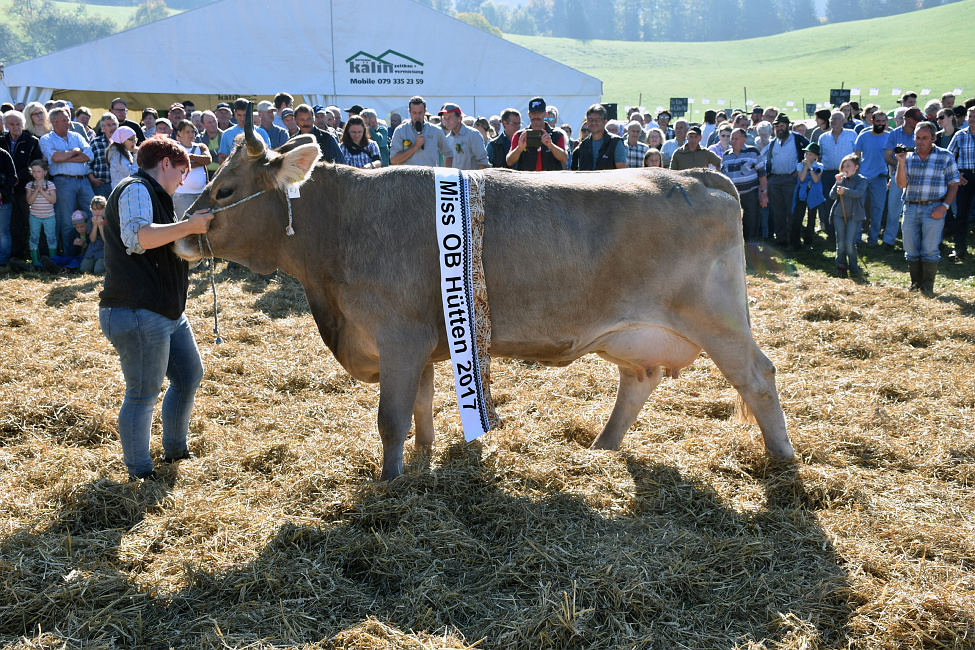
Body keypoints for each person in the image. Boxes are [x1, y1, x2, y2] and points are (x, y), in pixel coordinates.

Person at [98, 135, 215, 481]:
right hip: (137, 310)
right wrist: (190, 226)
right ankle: (140, 473)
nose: (184, 178)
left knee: (188, 375)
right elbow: (140, 239)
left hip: (164, 311)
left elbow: (164, 248)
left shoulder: (158, 197)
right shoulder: (137, 188)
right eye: (182, 170)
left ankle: (175, 449)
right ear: (165, 163)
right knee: (142, 393)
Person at [895, 120, 959, 294]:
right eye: (917, 138)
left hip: (934, 207)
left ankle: (928, 286)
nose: (920, 141)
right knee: (910, 249)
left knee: (930, 249)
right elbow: (901, 185)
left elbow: (954, 184)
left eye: (924, 138)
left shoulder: (945, 156)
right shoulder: (907, 156)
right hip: (910, 207)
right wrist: (901, 163)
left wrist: (944, 206)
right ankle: (916, 284)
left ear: (933, 138)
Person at [39, 107, 95, 256]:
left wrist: (66, 156)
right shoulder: (46, 139)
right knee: (67, 221)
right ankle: (70, 256)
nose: (68, 122)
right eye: (64, 120)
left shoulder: (76, 135)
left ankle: (92, 253)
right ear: (53, 121)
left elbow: (89, 155)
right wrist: (76, 151)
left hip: (83, 181)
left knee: (94, 215)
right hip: (63, 182)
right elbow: (54, 158)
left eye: (68, 119)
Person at [764, 113, 810, 247]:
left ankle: (794, 239)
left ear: (788, 126)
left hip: (791, 179)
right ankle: (781, 239)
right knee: (778, 211)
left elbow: (812, 152)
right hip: (775, 179)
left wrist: (801, 167)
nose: (779, 129)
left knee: (792, 211)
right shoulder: (773, 142)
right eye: (777, 126)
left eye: (782, 126)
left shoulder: (798, 139)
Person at [882, 106, 923, 250]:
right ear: (907, 119)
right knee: (893, 208)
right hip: (897, 175)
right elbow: (887, 156)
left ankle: (914, 242)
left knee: (915, 209)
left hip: (917, 177)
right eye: (915, 120)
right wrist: (901, 165)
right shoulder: (894, 134)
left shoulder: (921, 134)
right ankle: (889, 240)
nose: (918, 123)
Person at [2, 110, 41, 262]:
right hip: (6, 189)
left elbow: (35, 163)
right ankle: (15, 255)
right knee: (13, 224)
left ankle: (33, 255)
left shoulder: (32, 141)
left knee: (30, 221)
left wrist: (18, 175)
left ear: (23, 124)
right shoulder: (1, 141)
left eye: (18, 123)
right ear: (5, 125)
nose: (15, 127)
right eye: (11, 124)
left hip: (25, 187)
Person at [721, 127, 768, 244]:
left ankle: (751, 253)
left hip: (750, 195)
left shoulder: (753, 152)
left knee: (751, 224)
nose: (733, 141)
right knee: (735, 225)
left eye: (736, 138)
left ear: (744, 139)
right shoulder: (726, 155)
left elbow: (762, 175)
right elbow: (722, 177)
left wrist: (764, 194)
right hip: (732, 197)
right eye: (732, 139)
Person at [817, 111, 858, 241]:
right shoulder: (823, 137)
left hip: (846, 174)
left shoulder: (852, 134)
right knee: (829, 202)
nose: (833, 121)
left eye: (837, 119)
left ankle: (848, 232)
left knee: (847, 202)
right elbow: (820, 156)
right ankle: (831, 232)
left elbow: (856, 155)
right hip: (828, 174)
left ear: (843, 121)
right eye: (832, 119)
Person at [854, 110, 891, 246]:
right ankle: (857, 237)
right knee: (858, 208)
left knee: (878, 209)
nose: (880, 124)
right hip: (862, 177)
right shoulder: (863, 137)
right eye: (878, 121)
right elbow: (856, 157)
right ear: (872, 121)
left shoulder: (890, 137)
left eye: (883, 121)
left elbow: (893, 157)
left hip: (880, 178)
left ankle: (873, 239)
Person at [829, 153, 866, 277]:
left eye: (848, 166)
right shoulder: (841, 180)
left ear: (856, 167)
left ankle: (854, 267)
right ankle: (841, 266)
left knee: (850, 243)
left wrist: (845, 190)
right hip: (839, 214)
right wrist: (837, 184)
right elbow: (832, 196)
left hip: (854, 215)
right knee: (841, 243)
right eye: (843, 166)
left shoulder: (862, 180)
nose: (845, 168)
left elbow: (858, 193)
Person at [946, 106, 975, 263]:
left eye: (974, 116)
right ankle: (959, 248)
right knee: (962, 214)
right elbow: (949, 158)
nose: (971, 118)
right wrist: (956, 174)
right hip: (966, 177)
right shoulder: (960, 135)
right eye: (970, 116)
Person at [390, 96, 453, 168]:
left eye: (420, 113)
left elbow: (448, 153)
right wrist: (415, 146)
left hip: (429, 177)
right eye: (414, 113)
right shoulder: (400, 131)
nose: (417, 116)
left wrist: (445, 174)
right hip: (408, 177)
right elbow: (394, 160)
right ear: (409, 112)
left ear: (425, 112)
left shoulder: (436, 130)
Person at [173, 120, 211, 218]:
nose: (191, 134)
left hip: (201, 194)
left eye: (193, 132)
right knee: (184, 224)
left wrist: (190, 156)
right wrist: (199, 162)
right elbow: (180, 166)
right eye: (187, 132)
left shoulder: (201, 146)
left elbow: (207, 160)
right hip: (182, 195)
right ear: (179, 133)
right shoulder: (175, 148)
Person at [791, 142, 825, 251]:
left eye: (810, 154)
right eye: (806, 153)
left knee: (811, 219)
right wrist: (806, 167)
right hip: (802, 194)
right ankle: (794, 242)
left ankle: (808, 243)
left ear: (816, 156)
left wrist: (810, 167)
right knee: (798, 217)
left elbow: (816, 180)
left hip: (813, 194)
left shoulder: (820, 166)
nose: (807, 156)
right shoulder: (800, 165)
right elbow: (801, 178)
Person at [570, 103, 625, 171]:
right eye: (590, 120)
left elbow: (622, 171)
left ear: (605, 122)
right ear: (587, 122)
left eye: (597, 120)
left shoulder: (616, 143)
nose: (593, 123)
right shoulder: (583, 145)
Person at [25, 159, 57, 267]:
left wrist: (42, 191)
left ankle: (53, 261)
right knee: (34, 238)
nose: (36, 174)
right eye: (34, 171)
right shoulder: (30, 185)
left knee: (51, 238)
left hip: (49, 216)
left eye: (39, 171)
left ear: (45, 172)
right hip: (34, 216)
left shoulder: (50, 185)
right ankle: (35, 262)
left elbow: (53, 200)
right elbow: (29, 201)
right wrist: (36, 191)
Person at [219, 99, 271, 164]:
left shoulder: (261, 132)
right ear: (234, 113)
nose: (242, 119)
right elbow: (222, 157)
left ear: (250, 114)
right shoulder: (227, 133)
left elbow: (268, 155)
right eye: (239, 115)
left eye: (245, 115)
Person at [439, 103, 488, 170]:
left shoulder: (473, 135)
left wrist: (476, 179)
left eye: (449, 118)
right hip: (454, 179)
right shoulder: (447, 139)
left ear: (460, 117)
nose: (446, 122)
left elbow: (483, 162)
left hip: (470, 179)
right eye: (444, 118)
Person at [88, 112, 118, 198]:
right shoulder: (96, 143)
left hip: (119, 184)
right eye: (108, 125)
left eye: (114, 124)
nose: (112, 127)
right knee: (101, 211)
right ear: (102, 128)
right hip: (101, 185)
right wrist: (92, 179)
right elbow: (88, 164)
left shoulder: (123, 142)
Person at [81, 194, 106, 274]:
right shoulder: (91, 220)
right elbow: (92, 239)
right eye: (94, 209)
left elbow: (106, 240)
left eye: (100, 209)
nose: (97, 212)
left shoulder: (108, 220)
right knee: (84, 270)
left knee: (98, 270)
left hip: (104, 249)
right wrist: (95, 225)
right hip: (93, 249)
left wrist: (100, 225)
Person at [196, 110, 222, 179]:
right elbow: (198, 158)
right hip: (204, 174)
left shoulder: (225, 136)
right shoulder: (199, 139)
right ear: (203, 125)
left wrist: (207, 156)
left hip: (222, 173)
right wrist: (216, 154)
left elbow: (226, 157)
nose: (213, 124)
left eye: (214, 121)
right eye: (209, 122)